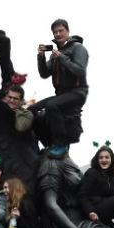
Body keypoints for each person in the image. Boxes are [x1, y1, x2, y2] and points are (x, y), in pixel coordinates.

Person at [33, 19, 89, 154]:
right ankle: (47, 145)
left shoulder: (78, 48)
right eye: (55, 32)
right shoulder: (56, 53)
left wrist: (63, 59)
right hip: (61, 95)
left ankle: (61, 144)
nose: (58, 34)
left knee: (52, 105)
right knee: (31, 110)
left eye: (60, 31)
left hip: (77, 92)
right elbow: (44, 73)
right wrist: (41, 57)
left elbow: (80, 71)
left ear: (67, 31)